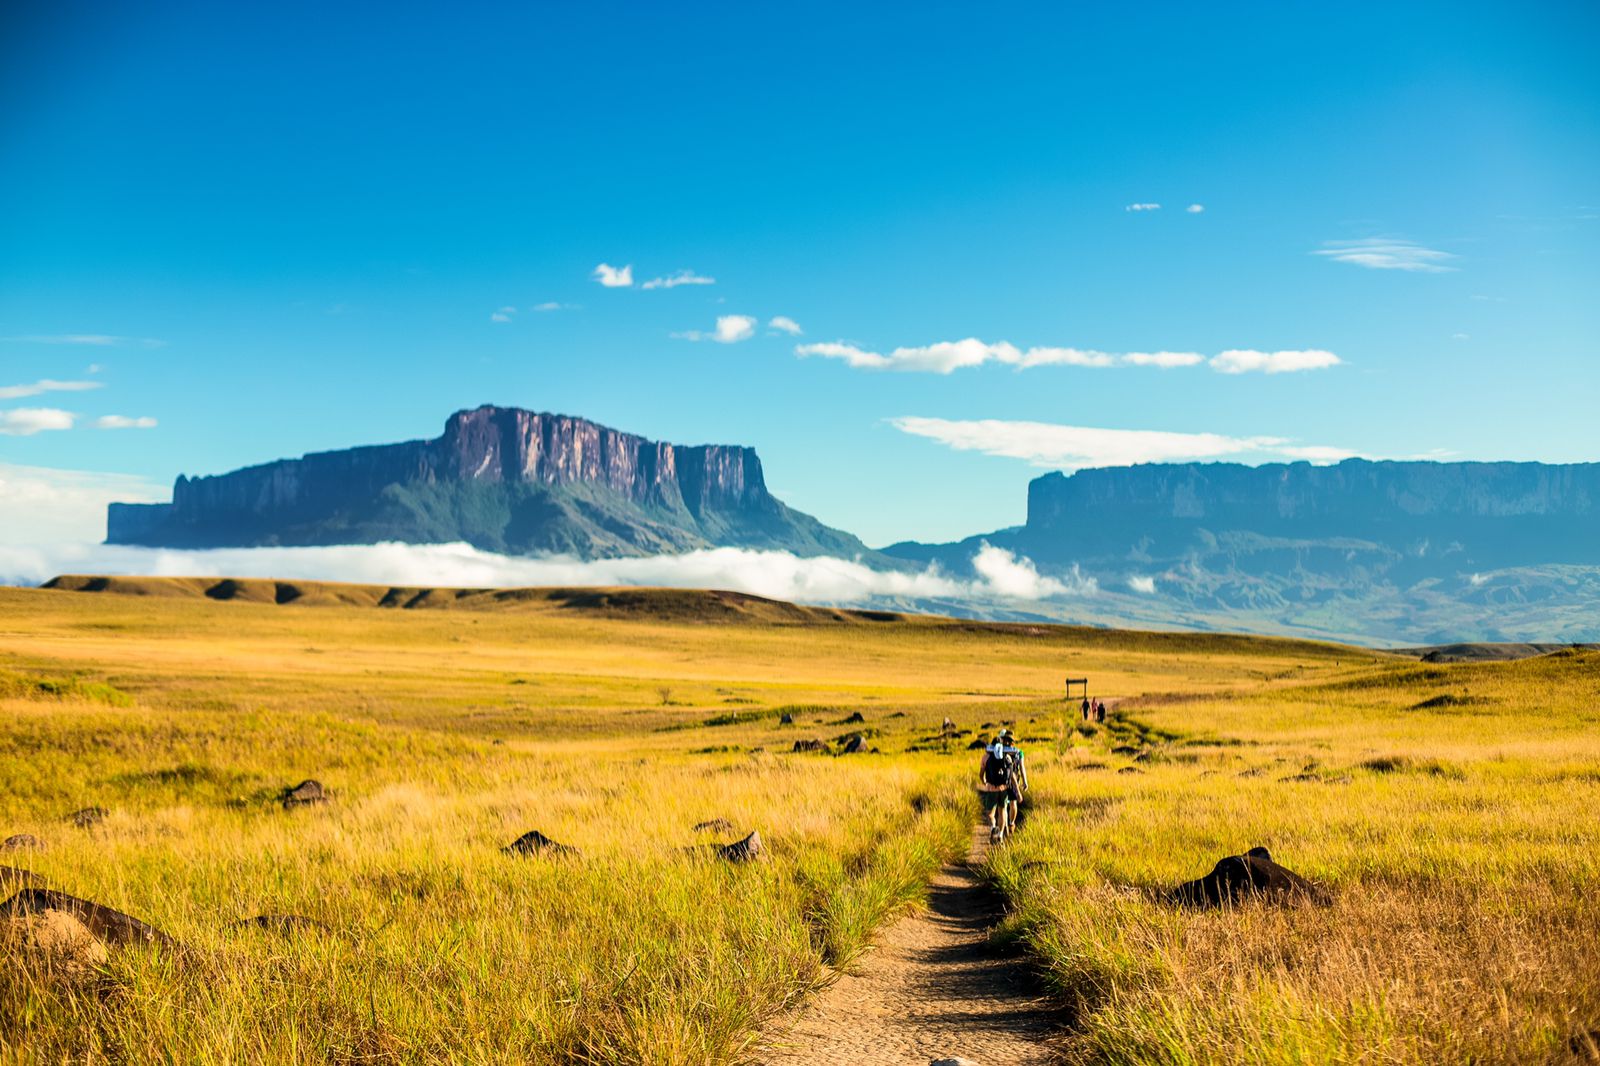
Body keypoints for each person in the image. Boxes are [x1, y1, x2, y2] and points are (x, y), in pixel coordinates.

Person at [978, 734, 1016, 843]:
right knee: (1002, 811)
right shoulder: (1007, 756)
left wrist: (984, 781)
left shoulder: (986, 757)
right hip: (1003, 789)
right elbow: (1011, 774)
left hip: (991, 789)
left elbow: (981, 774)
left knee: (990, 813)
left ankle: (993, 827)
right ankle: (1000, 834)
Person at [996, 728, 1029, 829]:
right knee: (1013, 802)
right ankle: (1011, 823)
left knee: (1002, 806)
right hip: (1014, 781)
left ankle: (1004, 826)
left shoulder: (999, 751)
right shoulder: (1019, 752)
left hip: (1001, 781)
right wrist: (1025, 781)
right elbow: (1022, 767)